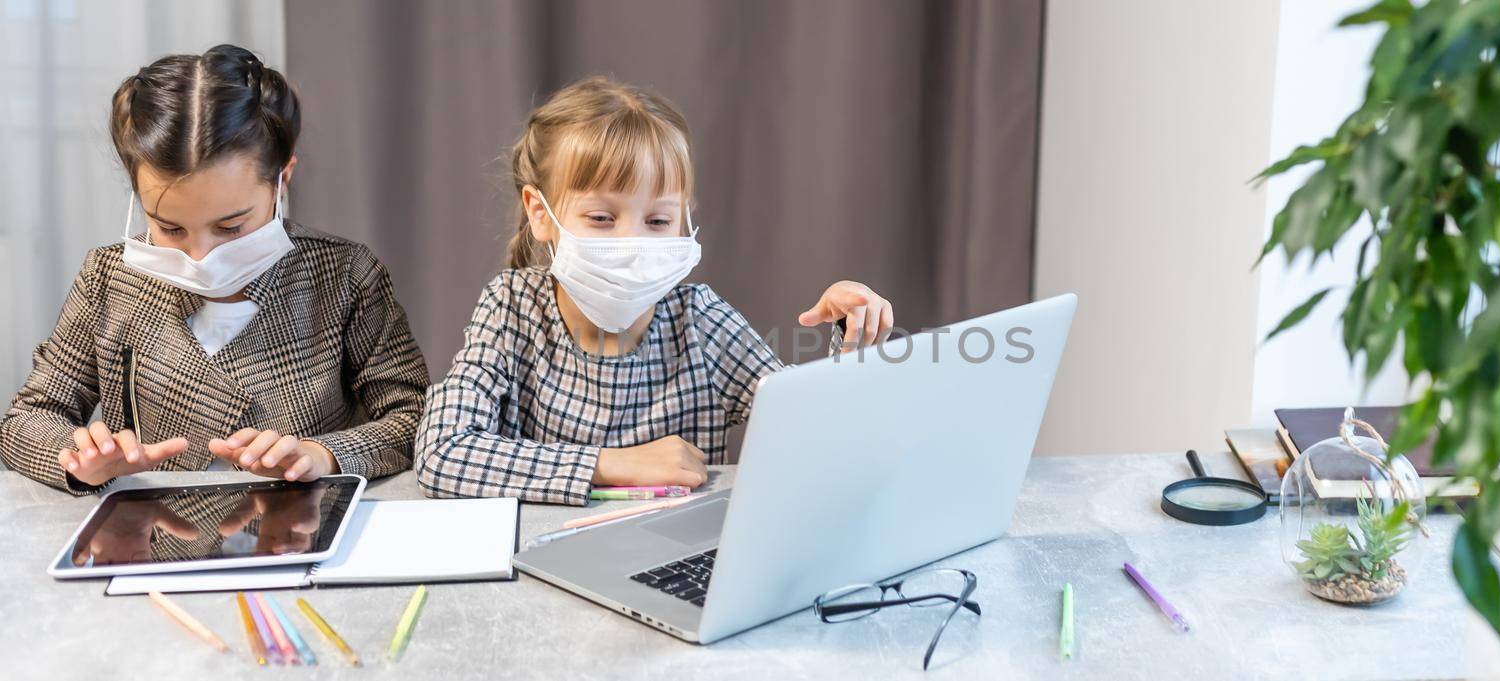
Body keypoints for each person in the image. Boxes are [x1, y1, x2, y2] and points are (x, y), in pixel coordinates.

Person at [414, 76, 893, 505]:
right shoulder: (510, 308)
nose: (632, 243)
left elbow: (817, 437)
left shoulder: (700, 321)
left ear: (684, 219)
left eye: (658, 221)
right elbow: (440, 451)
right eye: (602, 218)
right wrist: (611, 463)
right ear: (541, 213)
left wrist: (850, 350)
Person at [0, 44, 430, 493]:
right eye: (170, 227)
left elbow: (410, 414)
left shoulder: (344, 276)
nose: (200, 256)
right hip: (153, 539)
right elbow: (28, 419)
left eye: (230, 227)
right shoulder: (108, 281)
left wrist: (322, 454)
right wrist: (78, 459)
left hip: (299, 529)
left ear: (282, 179)